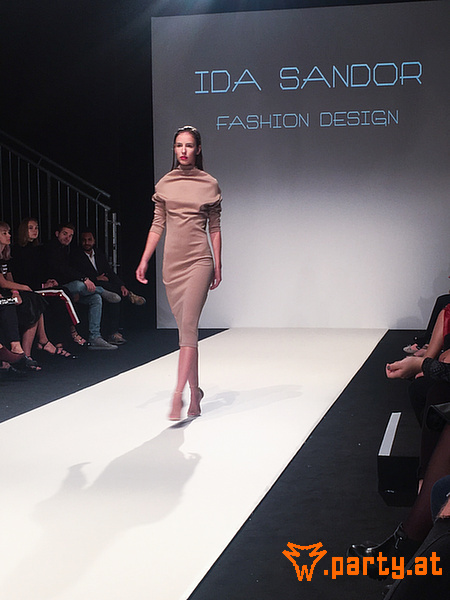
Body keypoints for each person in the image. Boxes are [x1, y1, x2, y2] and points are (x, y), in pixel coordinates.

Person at [136, 125, 222, 420]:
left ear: (198, 149)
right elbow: (157, 224)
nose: (183, 150)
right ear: (174, 149)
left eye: (188, 145)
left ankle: (178, 396)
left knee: (188, 327)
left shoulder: (209, 184)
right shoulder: (165, 183)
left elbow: (215, 227)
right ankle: (196, 392)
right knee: (187, 332)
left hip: (199, 261)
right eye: (178, 145)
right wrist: (144, 260)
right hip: (172, 264)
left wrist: (218, 264)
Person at [0, 221, 74, 362]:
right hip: (6, 296)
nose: (9, 235)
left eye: (8, 232)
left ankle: (30, 351)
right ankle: (28, 348)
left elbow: (9, 279)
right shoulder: (16, 251)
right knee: (33, 300)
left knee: (35, 301)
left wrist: (16, 291)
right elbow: (3, 282)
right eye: (4, 233)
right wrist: (23, 288)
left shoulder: (6, 255)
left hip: (12, 293)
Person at [45, 223, 119, 350]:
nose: (68, 238)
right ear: (57, 234)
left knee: (95, 298)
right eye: (65, 234)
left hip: (65, 287)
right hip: (52, 287)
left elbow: (67, 272)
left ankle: (95, 337)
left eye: (70, 235)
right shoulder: (51, 248)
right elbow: (60, 269)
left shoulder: (65, 250)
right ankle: (101, 290)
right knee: (80, 285)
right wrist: (84, 279)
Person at [11, 217, 82, 348]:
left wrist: (48, 281)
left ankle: (60, 341)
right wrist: (42, 285)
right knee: (62, 292)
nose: (35, 231)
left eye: (36, 228)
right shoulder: (17, 250)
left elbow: (41, 272)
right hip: (27, 288)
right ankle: (75, 330)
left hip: (38, 285)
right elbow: (21, 276)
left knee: (59, 297)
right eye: (30, 228)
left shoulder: (37, 249)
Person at [70, 229, 146, 345]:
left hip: (103, 285)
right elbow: (76, 274)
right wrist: (96, 278)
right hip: (87, 287)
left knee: (114, 296)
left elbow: (109, 271)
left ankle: (113, 333)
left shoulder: (98, 253)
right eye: (84, 240)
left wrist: (122, 285)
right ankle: (129, 296)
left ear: (94, 241)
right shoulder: (76, 256)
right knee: (106, 289)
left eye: (89, 240)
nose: (87, 243)